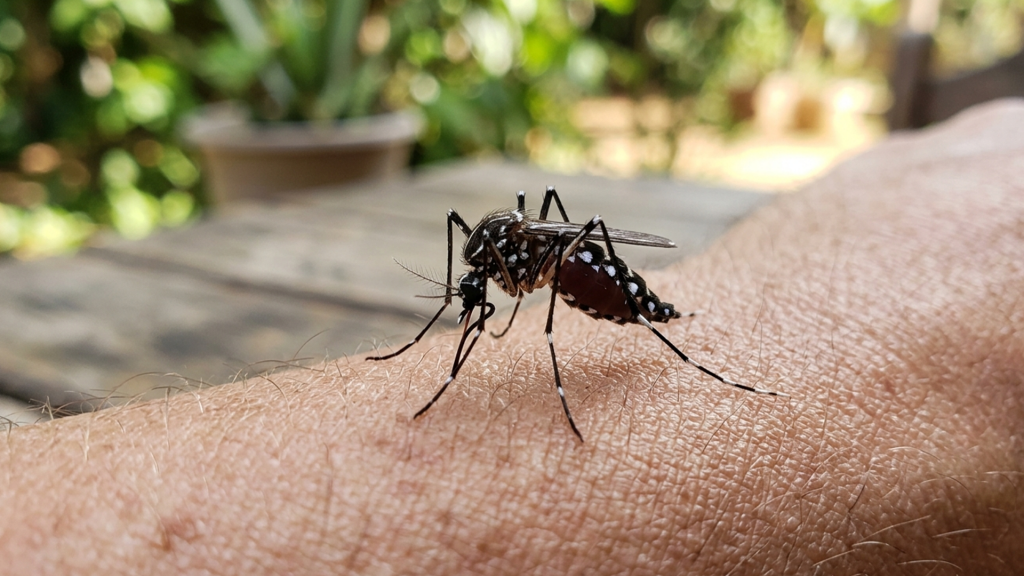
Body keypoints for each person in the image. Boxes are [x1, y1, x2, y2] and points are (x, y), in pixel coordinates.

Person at [2, 100, 1023, 574]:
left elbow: (519, 274)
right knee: (509, 263)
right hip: (558, 260)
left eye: (476, 294)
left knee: (552, 265)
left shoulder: (522, 263)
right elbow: (479, 275)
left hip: (590, 270)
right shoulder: (486, 259)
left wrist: (571, 317)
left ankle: (666, 338)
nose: (476, 301)